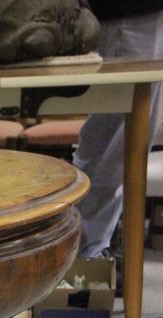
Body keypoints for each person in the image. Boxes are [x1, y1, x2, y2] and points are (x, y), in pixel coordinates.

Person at [73, 1, 163, 275]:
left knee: (129, 143)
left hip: (145, 13)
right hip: (128, 14)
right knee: (113, 146)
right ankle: (80, 256)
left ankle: (89, 251)